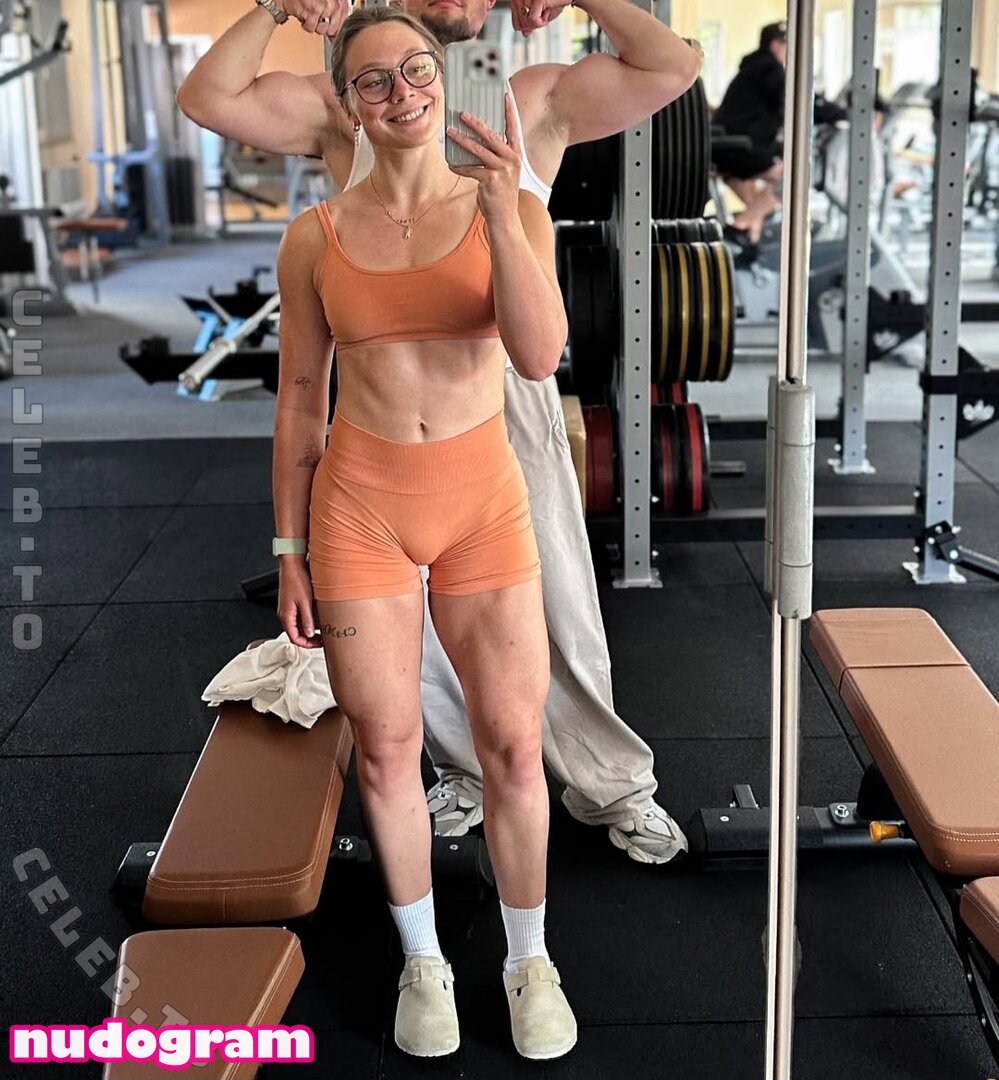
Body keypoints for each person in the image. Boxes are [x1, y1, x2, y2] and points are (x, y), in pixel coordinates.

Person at [177, 0, 702, 866]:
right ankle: (460, 771)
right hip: (382, 405)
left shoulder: (531, 99)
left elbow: (670, 67)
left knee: (559, 598)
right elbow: (208, 98)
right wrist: (274, 5)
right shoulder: (347, 100)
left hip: (505, 382)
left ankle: (612, 783)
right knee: (408, 626)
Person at [274, 8, 576, 1057]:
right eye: (374, 80)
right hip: (359, 510)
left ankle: (529, 961)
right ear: (348, 103)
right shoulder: (313, 236)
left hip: (480, 505)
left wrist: (501, 210)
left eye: (416, 70)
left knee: (513, 744)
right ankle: (423, 962)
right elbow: (300, 401)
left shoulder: (509, 205)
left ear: (443, 78)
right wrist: (287, 549)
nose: (401, 93)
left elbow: (538, 357)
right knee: (389, 746)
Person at [711, 21, 787, 252]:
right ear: (776, 45)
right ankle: (738, 228)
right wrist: (838, 114)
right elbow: (794, 102)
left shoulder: (752, 67)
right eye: (787, 46)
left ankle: (750, 245)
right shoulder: (770, 69)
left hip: (726, 146)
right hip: (740, 149)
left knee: (757, 203)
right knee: (792, 177)